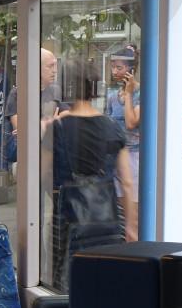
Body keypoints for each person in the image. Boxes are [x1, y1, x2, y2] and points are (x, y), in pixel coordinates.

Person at [47, 60, 136, 287]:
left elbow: (43, 176)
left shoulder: (58, 128)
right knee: (105, 282)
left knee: (67, 282)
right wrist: (130, 226)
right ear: (95, 87)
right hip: (107, 220)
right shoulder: (112, 127)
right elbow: (126, 182)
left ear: (67, 87)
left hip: (68, 221)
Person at [105, 48, 142, 239]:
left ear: (131, 70)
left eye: (119, 68)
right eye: (113, 67)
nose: (114, 72)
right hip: (116, 156)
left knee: (132, 220)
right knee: (121, 217)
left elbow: (131, 122)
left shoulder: (141, 93)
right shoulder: (112, 95)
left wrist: (128, 95)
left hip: (133, 156)